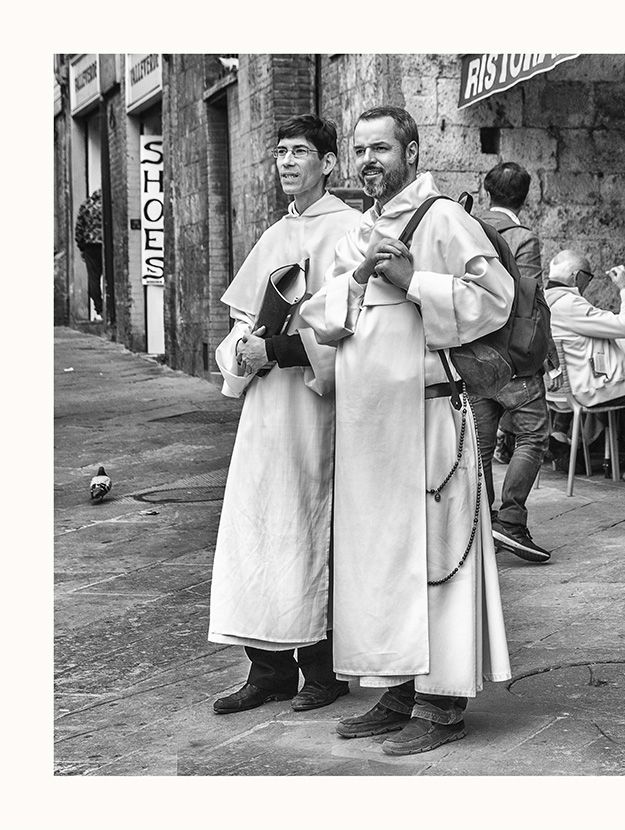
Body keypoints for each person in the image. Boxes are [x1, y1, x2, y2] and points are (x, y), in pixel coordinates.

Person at [298, 106, 512, 756]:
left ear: (412, 154)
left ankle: (441, 705)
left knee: (436, 562)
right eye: (360, 149)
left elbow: (495, 300)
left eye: (381, 149)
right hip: (372, 431)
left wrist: (411, 278)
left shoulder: (444, 218)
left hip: (426, 420)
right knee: (383, 562)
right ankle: (395, 689)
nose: (368, 160)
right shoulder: (360, 230)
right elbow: (322, 316)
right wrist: (362, 277)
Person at [208, 115, 362, 715]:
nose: (287, 162)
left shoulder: (350, 232)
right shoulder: (275, 233)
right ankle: (266, 669)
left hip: (313, 408)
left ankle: (321, 670)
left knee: (309, 523)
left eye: (300, 152)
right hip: (264, 411)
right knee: (256, 528)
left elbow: (354, 330)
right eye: (280, 152)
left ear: (327, 163)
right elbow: (242, 321)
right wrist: (242, 349)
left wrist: (276, 348)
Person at [473, 161, 553, 563]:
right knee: (533, 435)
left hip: (470, 351)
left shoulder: (466, 224)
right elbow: (528, 298)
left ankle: (481, 522)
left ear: (487, 189)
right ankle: (512, 520)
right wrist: (543, 354)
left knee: (481, 445)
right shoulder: (523, 237)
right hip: (511, 355)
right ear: (524, 197)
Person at [545, 251, 625, 481]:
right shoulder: (569, 303)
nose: (587, 285)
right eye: (588, 279)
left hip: (560, 391)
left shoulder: (545, 300)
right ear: (576, 276)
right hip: (588, 389)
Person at [74, 189, 104, 319]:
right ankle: (109, 308)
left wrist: (81, 247)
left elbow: (79, 228)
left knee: (94, 277)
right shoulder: (108, 203)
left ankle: (99, 307)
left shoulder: (86, 205)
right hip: (105, 244)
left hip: (90, 246)